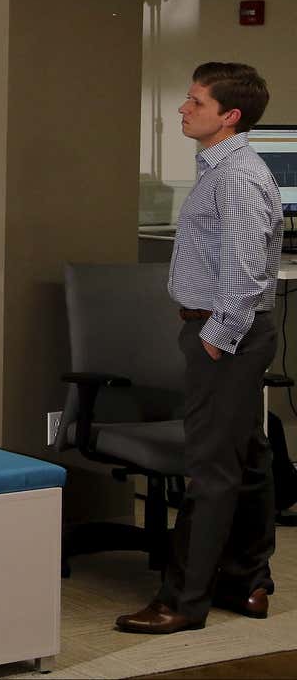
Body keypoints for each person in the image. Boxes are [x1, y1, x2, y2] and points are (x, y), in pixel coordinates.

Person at [117, 62, 281, 634]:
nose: (182, 110)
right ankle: (248, 580)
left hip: (225, 332)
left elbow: (244, 276)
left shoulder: (234, 176)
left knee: (210, 468)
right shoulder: (221, 167)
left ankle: (181, 602)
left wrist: (215, 340)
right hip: (223, 330)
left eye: (195, 102)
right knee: (249, 453)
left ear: (228, 116)